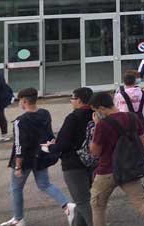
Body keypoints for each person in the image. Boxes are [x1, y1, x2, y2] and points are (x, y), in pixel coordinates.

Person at [88, 92, 144, 226]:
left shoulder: (102, 125)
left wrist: (96, 126)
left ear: (101, 108)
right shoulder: (132, 117)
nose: (95, 114)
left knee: (98, 205)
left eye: (95, 110)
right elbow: (143, 142)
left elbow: (95, 152)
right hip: (129, 168)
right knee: (142, 202)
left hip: (107, 170)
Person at [0, 87, 75, 226]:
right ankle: (67, 206)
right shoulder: (44, 114)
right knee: (45, 184)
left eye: (20, 101)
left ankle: (18, 218)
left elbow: (19, 145)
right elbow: (49, 135)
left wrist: (18, 166)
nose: (19, 103)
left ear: (24, 101)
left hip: (25, 159)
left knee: (16, 188)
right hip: (41, 156)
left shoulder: (20, 121)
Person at [43, 87, 94, 226]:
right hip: (92, 162)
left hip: (73, 164)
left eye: (72, 98)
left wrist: (49, 147)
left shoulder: (73, 118)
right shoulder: (96, 115)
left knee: (82, 201)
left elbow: (63, 144)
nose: (71, 101)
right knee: (83, 198)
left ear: (79, 100)